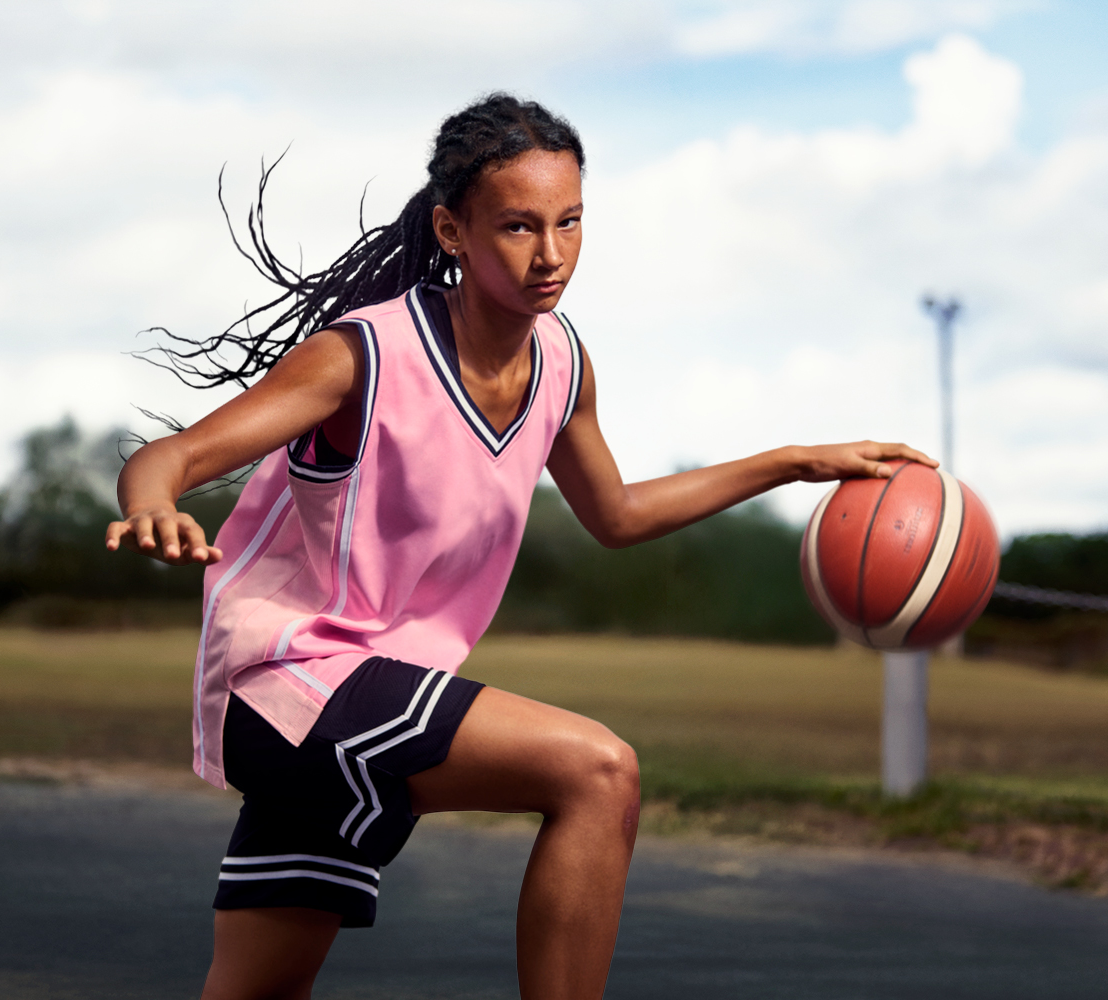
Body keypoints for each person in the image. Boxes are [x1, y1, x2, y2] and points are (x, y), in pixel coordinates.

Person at [106, 94, 935, 1000]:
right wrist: (154, 504)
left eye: (570, 222)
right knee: (597, 769)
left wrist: (793, 461)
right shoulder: (365, 356)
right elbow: (176, 455)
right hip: (292, 679)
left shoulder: (563, 364)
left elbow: (615, 514)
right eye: (517, 227)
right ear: (452, 231)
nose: (551, 255)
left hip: (366, 698)